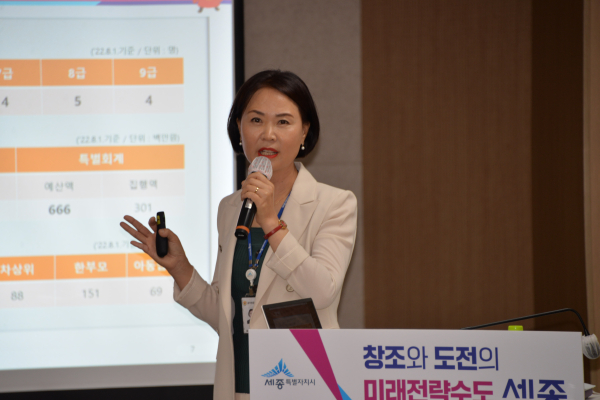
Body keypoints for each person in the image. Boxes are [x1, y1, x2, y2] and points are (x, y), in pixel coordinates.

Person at [120, 70, 357, 400]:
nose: (268, 134)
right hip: (238, 387)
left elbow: (323, 292)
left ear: (305, 130)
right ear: (239, 128)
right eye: (256, 120)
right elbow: (225, 317)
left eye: (283, 122)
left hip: (303, 385)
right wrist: (180, 268)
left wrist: (271, 221)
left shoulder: (334, 204)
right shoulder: (231, 207)